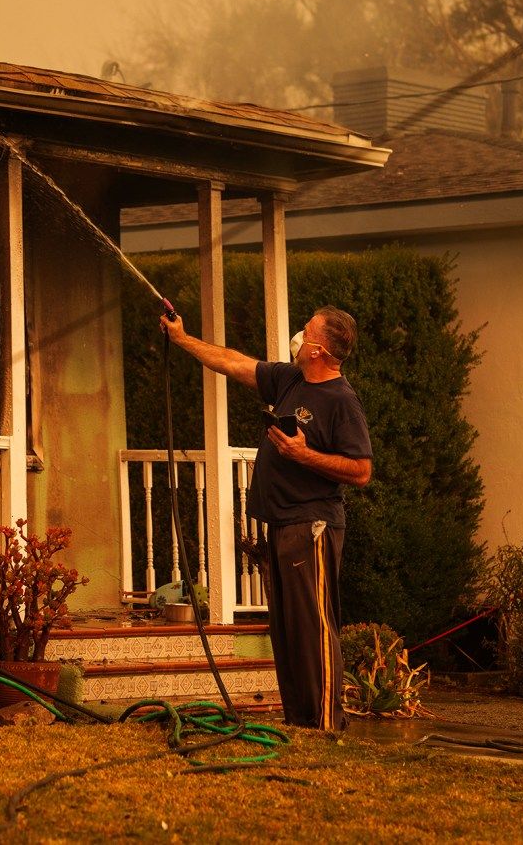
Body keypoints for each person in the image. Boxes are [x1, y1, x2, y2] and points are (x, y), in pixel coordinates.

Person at [160, 305, 372, 731]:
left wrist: (303, 454)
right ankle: (299, 722)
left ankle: (326, 724)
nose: (299, 336)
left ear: (318, 350)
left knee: (313, 626)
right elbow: (234, 363)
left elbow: (361, 470)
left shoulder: (341, 400)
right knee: (288, 630)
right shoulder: (292, 379)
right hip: (281, 524)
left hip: (312, 525)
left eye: (306, 331)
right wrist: (182, 339)